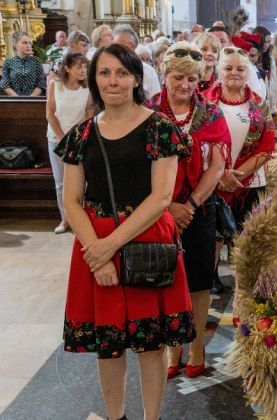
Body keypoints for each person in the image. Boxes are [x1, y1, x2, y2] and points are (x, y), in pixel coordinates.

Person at [54, 43, 196, 420]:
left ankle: (152, 417)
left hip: (145, 237)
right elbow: (72, 201)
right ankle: (115, 416)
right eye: (104, 73)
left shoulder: (159, 127)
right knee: (109, 344)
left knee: (151, 345)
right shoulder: (82, 135)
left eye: (121, 73)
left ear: (136, 78)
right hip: (94, 240)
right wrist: (96, 252)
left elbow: (162, 196)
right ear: (93, 80)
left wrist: (108, 247)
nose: (112, 81)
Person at [147, 41, 231, 379]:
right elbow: (142, 166)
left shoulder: (210, 113)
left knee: (197, 281)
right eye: (178, 77)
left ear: (201, 81)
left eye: (193, 80)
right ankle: (172, 346)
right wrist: (169, 206)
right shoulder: (149, 112)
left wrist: (191, 205)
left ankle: (195, 344)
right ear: (164, 74)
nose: (185, 86)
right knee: (164, 278)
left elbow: (217, 166)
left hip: (199, 206)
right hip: (157, 206)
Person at [210, 47, 275, 289]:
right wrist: (219, 176)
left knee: (247, 238)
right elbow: (199, 144)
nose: (234, 73)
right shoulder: (206, 102)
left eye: (240, 69)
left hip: (249, 182)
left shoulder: (259, 106)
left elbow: (267, 148)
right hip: (211, 180)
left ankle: (247, 286)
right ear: (219, 71)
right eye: (228, 68)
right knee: (213, 238)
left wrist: (235, 175)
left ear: (248, 73)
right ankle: (211, 277)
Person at [46, 52, 93, 234]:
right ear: (67, 69)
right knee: (61, 182)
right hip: (56, 139)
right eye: (79, 67)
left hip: (79, 139)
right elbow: (50, 113)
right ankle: (65, 218)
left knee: (82, 181)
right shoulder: (55, 85)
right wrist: (63, 138)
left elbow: (89, 113)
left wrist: (80, 136)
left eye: (85, 66)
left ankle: (80, 217)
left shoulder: (87, 87)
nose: (83, 70)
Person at [113, 24, 161, 98]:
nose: (113, 50)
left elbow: (156, 101)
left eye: (117, 46)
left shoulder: (148, 71)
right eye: (113, 46)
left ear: (132, 46)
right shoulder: (110, 68)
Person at [0, 32, 46, 96]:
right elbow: (5, 84)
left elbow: (41, 83)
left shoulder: (36, 61)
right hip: (14, 101)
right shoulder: (8, 62)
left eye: (30, 43)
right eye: (25, 42)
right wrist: (18, 99)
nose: (28, 45)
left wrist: (31, 98)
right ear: (15, 44)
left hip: (34, 101)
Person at [253, 25, 277, 113]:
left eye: (269, 42)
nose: (267, 45)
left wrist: (273, 107)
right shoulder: (247, 57)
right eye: (265, 41)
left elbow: (273, 85)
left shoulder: (270, 60)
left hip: (266, 104)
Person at [194, 32, 222, 99]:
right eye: (204, 49)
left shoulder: (222, 82)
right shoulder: (186, 79)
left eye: (214, 51)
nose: (209, 53)